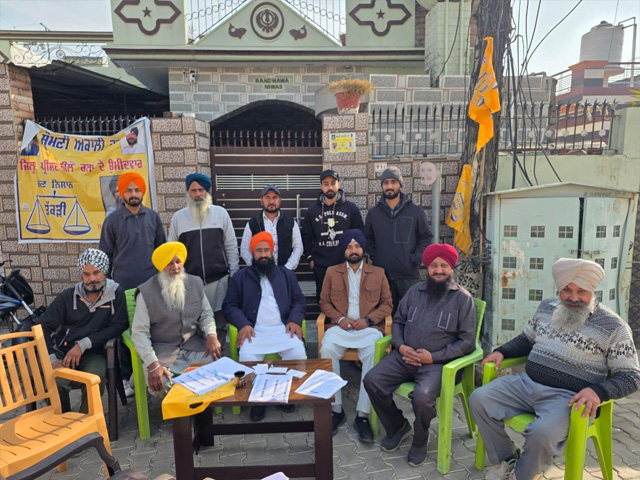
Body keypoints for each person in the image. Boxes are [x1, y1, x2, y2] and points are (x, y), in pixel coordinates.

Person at [469, 258, 640, 480]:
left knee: (542, 433)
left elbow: (631, 376)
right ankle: (507, 459)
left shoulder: (614, 326)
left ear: (592, 290)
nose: (574, 298)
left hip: (569, 399)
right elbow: (526, 339)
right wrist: (502, 351)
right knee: (479, 399)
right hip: (526, 385)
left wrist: (598, 392)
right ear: (559, 289)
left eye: (581, 291)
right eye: (567, 290)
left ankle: (521, 475)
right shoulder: (546, 308)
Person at [363, 244, 476, 467]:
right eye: (434, 265)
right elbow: (398, 321)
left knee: (422, 397)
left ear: (451, 268)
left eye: (444, 265)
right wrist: (401, 346)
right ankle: (398, 426)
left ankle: (420, 439)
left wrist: (433, 357)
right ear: (427, 268)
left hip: (438, 364)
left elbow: (467, 342)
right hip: (404, 357)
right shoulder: (414, 292)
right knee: (372, 380)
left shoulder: (463, 299)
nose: (439, 270)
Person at [223, 232, 306, 421]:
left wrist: (294, 319)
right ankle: (258, 401)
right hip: (254, 331)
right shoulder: (241, 277)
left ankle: (286, 393)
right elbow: (229, 305)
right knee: (247, 358)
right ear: (252, 254)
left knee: (298, 354)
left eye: (266, 250)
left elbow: (299, 300)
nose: (263, 255)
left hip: (283, 329)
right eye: (258, 251)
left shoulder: (286, 275)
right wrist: (243, 324)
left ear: (272, 252)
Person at [319, 229, 392, 441]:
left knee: (373, 353)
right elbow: (324, 302)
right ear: (344, 250)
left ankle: (363, 415)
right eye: (349, 247)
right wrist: (340, 319)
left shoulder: (378, 273)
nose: (353, 250)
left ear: (363, 249)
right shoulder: (332, 272)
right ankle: (336, 409)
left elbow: (387, 304)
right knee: (327, 349)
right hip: (340, 327)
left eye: (357, 246)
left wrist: (368, 320)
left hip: (367, 329)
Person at [99, 172, 165, 396]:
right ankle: (128, 378)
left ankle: (152, 372)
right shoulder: (112, 221)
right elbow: (105, 257)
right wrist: (107, 288)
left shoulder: (153, 218)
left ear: (143, 191)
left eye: (137, 190)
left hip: (151, 287)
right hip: (123, 288)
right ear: (121, 193)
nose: (133, 194)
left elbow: (161, 252)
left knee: (153, 330)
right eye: (129, 190)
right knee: (126, 332)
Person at [40, 248, 128, 413]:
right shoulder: (68, 297)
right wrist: (52, 359)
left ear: (104, 271)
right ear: (81, 275)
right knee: (54, 381)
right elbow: (43, 326)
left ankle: (86, 421)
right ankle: (63, 420)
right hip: (64, 352)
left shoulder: (116, 293)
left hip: (95, 353)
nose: (92, 278)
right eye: (86, 274)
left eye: (96, 273)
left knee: (94, 380)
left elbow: (119, 326)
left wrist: (84, 344)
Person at [131, 242, 221, 397]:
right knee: (163, 384)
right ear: (160, 266)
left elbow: (206, 314)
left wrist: (211, 335)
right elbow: (139, 333)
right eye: (169, 263)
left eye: (178, 261)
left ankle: (199, 408)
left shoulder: (195, 283)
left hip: (193, 347)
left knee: (217, 371)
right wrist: (152, 364)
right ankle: (185, 410)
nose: (175, 267)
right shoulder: (146, 292)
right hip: (162, 352)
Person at [168, 173, 239, 350]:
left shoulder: (221, 214)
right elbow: (172, 251)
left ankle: (219, 358)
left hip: (218, 281)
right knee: (194, 325)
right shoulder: (178, 218)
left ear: (208, 192)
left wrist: (234, 274)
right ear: (188, 193)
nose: (198, 194)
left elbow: (231, 246)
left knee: (219, 324)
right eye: (193, 191)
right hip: (190, 283)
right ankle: (201, 359)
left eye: (201, 190)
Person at [365, 166, 433, 312]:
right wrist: (377, 258)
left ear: (400, 185)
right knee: (386, 315)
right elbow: (368, 239)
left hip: (408, 275)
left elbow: (426, 238)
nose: (389, 186)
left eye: (393, 182)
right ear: (382, 186)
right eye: (386, 182)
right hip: (383, 275)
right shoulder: (373, 213)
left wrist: (415, 258)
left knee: (413, 313)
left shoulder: (415, 210)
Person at [302, 169, 364, 301]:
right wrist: (310, 258)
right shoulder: (312, 211)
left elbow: (359, 234)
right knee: (324, 300)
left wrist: (356, 258)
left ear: (339, 185)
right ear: (321, 186)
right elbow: (306, 236)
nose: (329, 187)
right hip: (321, 265)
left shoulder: (350, 208)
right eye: (326, 184)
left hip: (345, 263)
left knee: (347, 299)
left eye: (333, 183)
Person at [240, 184, 303, 270]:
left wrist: (286, 269)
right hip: (260, 273)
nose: (271, 202)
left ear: (280, 200)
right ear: (261, 200)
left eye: (275, 197)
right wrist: (256, 268)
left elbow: (298, 247)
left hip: (285, 272)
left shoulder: (290, 222)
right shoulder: (252, 224)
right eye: (267, 198)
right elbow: (244, 250)